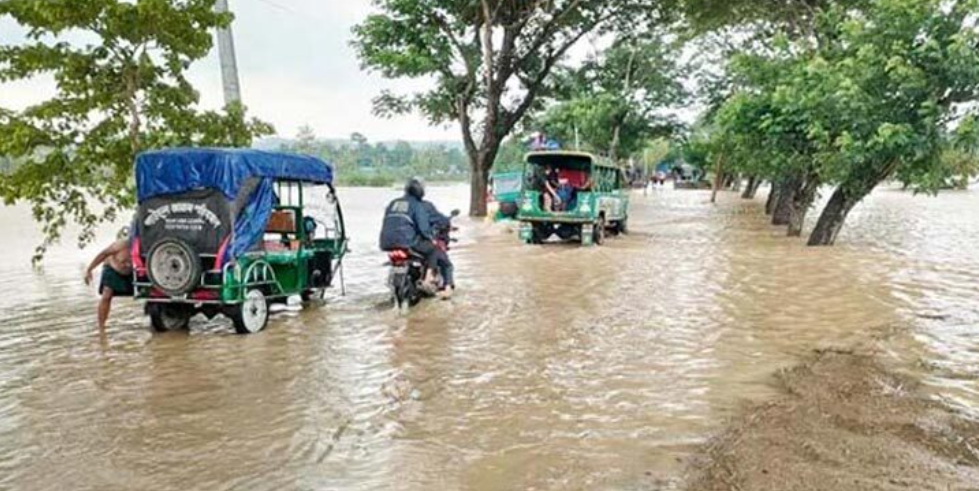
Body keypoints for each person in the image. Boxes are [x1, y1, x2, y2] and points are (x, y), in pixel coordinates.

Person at [379, 178, 439, 291]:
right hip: (407, 243)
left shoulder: (393, 202)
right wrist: (431, 238)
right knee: (433, 249)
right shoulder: (416, 205)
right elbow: (423, 228)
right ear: (420, 191)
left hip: (386, 243)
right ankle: (427, 280)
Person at [84, 226, 134, 330]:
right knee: (107, 294)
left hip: (131, 272)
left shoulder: (143, 245)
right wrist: (89, 269)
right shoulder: (120, 245)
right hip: (113, 269)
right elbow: (103, 254)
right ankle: (101, 326)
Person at [421, 199, 455, 298]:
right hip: (428, 245)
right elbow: (442, 220)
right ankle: (447, 289)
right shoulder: (430, 211)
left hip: (411, 245)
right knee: (447, 265)